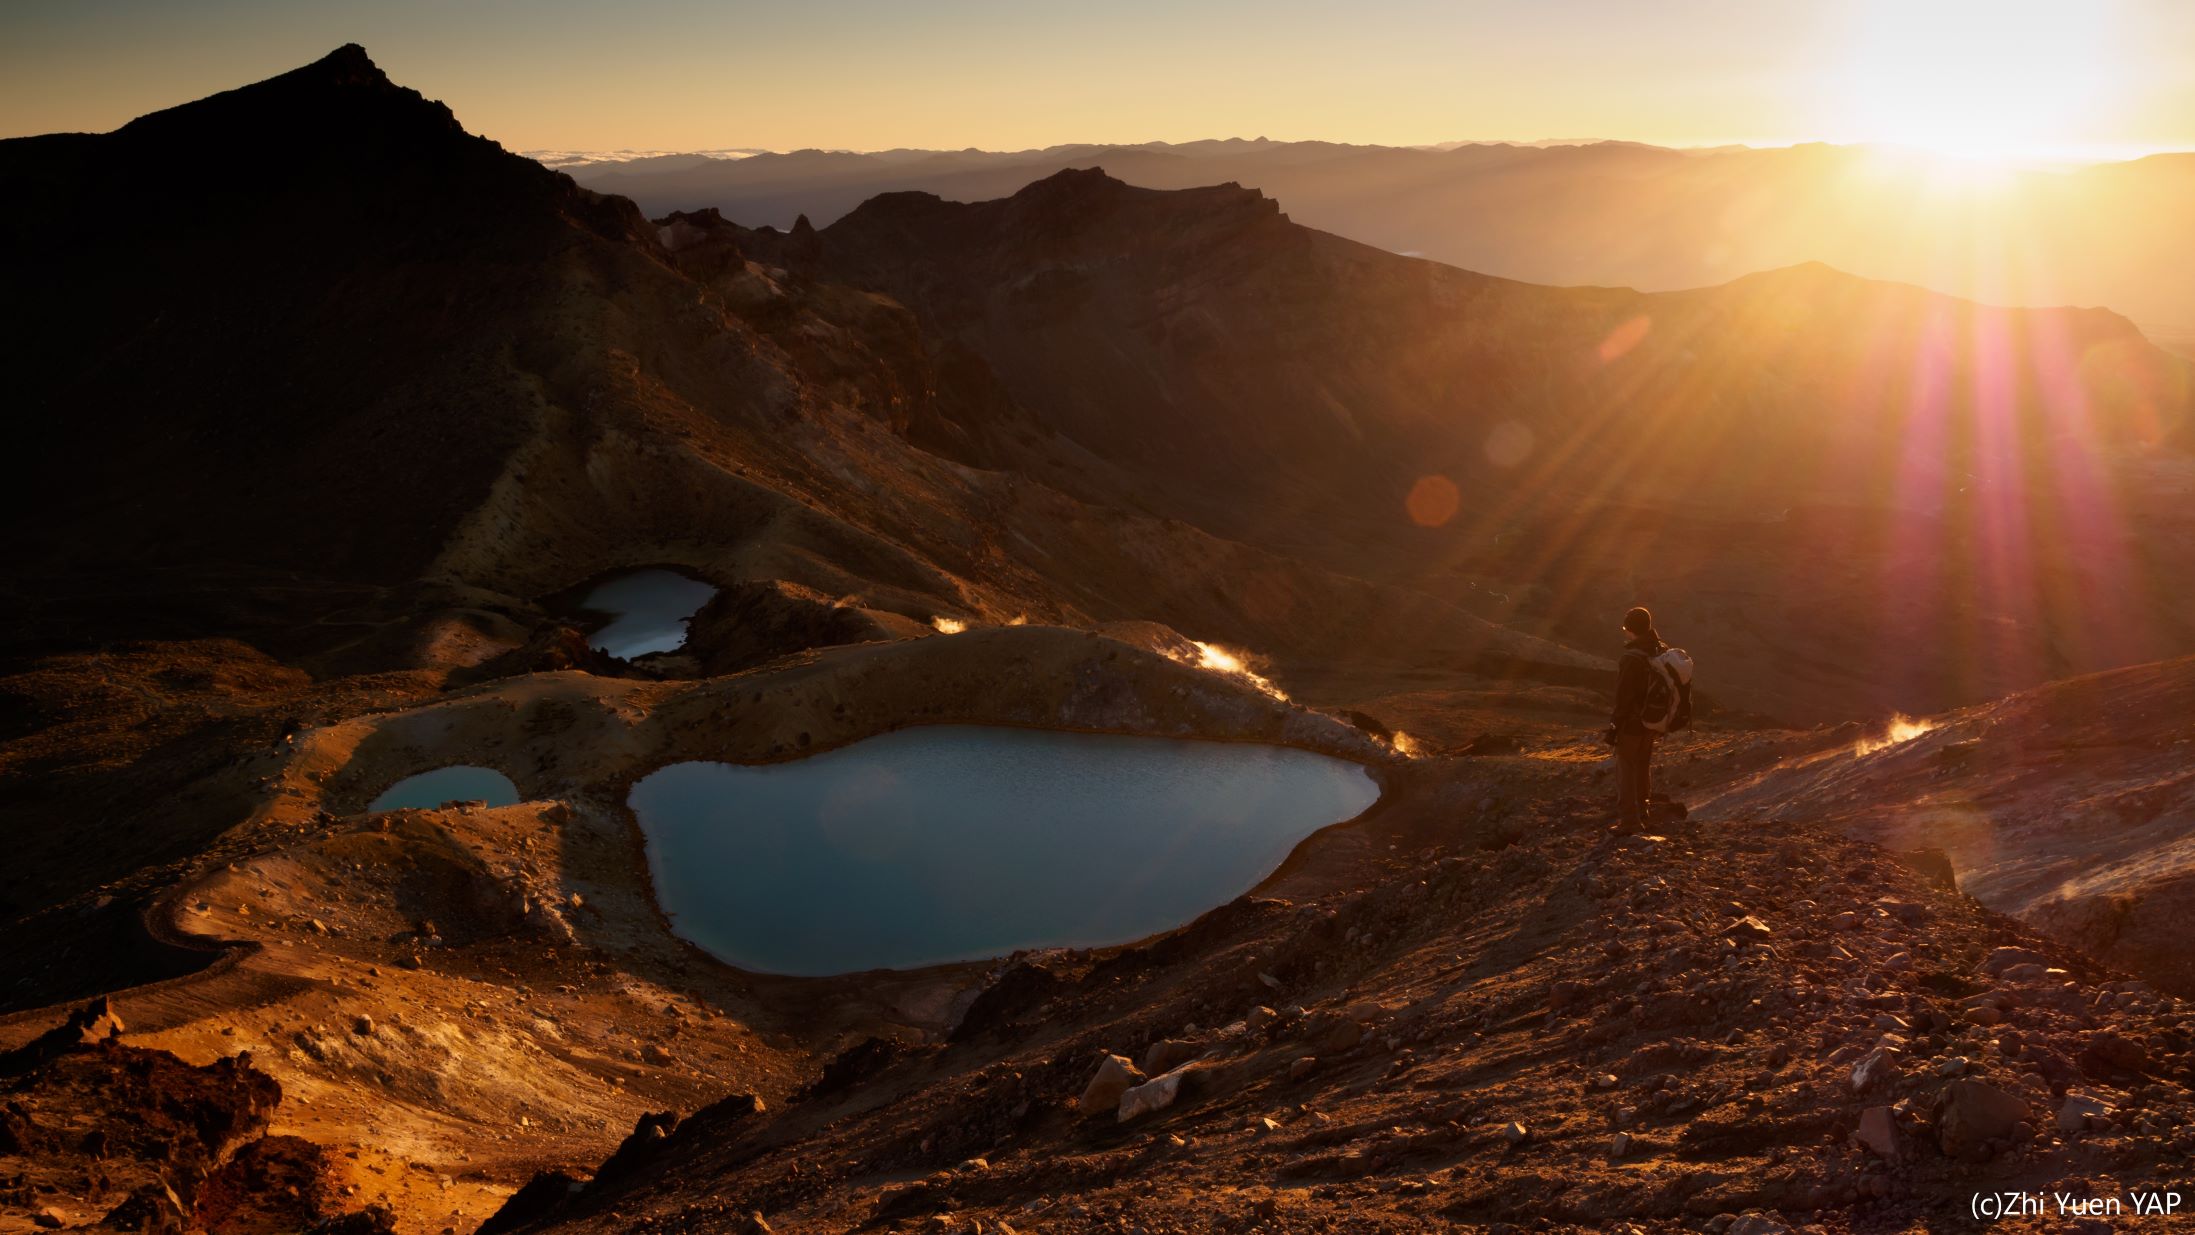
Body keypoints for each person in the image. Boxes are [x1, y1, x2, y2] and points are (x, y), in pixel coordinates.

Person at [1605, 606, 1666, 834]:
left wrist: (1614, 726)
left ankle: (1629, 821)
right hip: (1652, 720)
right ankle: (1643, 812)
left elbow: (1623, 698)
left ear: (1629, 629)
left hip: (1632, 723)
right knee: (1642, 766)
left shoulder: (1631, 658)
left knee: (1626, 768)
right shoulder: (1659, 650)